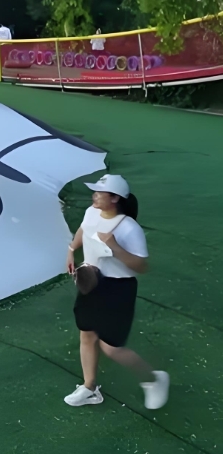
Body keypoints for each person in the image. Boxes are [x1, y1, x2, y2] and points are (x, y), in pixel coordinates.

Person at [64, 175, 169, 410]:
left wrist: (115, 247)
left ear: (115, 198)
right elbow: (84, 229)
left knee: (111, 347)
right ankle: (90, 388)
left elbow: (141, 266)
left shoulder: (130, 228)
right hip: (91, 283)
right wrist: (71, 249)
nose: (94, 195)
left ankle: (154, 380)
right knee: (86, 335)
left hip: (118, 289)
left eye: (100, 193)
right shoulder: (91, 212)